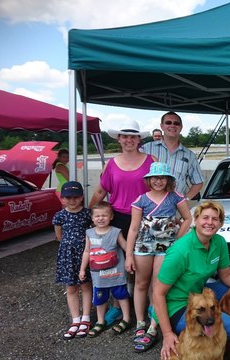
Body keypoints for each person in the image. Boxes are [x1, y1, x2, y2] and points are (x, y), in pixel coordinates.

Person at [152, 200, 230, 360]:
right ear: (196, 220)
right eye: (205, 218)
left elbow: (226, 276)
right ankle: (168, 325)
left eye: (215, 219)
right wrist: (167, 334)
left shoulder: (219, 242)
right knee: (229, 327)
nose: (210, 223)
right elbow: (158, 293)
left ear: (220, 223)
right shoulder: (181, 251)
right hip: (176, 303)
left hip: (200, 295)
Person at [90, 119, 154, 324]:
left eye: (133, 136)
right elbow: (101, 191)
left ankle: (151, 308)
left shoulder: (151, 160)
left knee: (144, 264)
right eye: (125, 136)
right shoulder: (111, 163)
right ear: (119, 138)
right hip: (118, 218)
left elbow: (162, 189)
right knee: (117, 264)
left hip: (145, 219)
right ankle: (119, 306)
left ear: (138, 139)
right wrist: (88, 214)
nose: (129, 140)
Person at [125, 162, 192, 352]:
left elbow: (188, 218)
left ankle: (153, 327)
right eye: (155, 177)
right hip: (144, 245)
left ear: (168, 179)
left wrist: (177, 240)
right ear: (149, 180)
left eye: (162, 177)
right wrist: (129, 254)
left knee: (158, 285)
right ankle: (140, 322)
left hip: (166, 247)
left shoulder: (175, 197)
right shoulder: (141, 200)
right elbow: (133, 228)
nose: (158, 181)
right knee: (141, 283)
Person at [79, 201, 132, 337]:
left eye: (104, 215)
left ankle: (126, 318)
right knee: (100, 298)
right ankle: (100, 321)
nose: (100, 218)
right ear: (92, 218)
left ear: (111, 217)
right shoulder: (89, 233)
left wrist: (132, 258)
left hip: (116, 273)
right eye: (97, 216)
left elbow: (126, 246)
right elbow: (86, 251)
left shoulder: (116, 232)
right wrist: (82, 269)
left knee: (121, 295)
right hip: (98, 276)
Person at [53, 181, 93, 339]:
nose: (72, 200)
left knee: (86, 285)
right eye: (68, 197)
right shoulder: (59, 216)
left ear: (82, 197)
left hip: (85, 254)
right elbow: (58, 236)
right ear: (62, 199)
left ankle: (86, 317)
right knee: (71, 287)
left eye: (76, 197)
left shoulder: (88, 214)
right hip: (68, 255)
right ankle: (75, 319)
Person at [142, 112, 204, 202]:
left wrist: (184, 201)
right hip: (149, 208)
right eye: (168, 122)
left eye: (176, 123)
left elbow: (198, 182)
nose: (172, 125)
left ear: (181, 127)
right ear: (162, 126)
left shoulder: (190, 155)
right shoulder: (146, 149)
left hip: (175, 211)